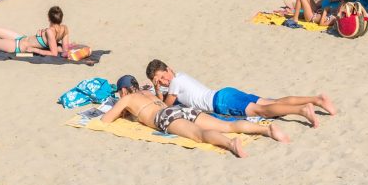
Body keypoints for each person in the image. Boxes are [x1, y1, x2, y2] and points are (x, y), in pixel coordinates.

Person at [100, 75, 286, 157]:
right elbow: (162, 102)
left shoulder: (127, 98)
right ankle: (266, 129)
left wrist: (121, 108)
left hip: (164, 117)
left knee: (199, 134)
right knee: (228, 126)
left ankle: (230, 144)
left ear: (123, 90)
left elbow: (105, 120)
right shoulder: (148, 93)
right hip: (181, 109)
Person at [146, 60, 336, 128]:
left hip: (221, 101)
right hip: (224, 93)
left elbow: (166, 107)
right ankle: (317, 99)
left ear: (169, 70)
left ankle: (302, 110)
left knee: (263, 110)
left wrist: (156, 90)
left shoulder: (175, 83)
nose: (164, 82)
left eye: (162, 77)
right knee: (270, 102)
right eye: (159, 81)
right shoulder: (181, 75)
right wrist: (159, 86)